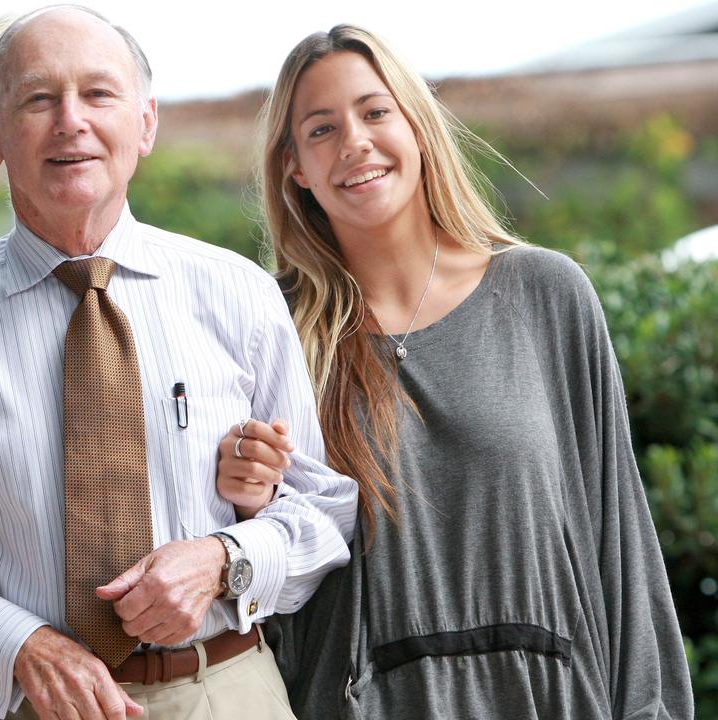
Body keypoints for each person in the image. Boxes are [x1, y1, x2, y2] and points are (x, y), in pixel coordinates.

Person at [0, 6, 358, 720]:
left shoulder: (238, 294)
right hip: (15, 705)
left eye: (98, 94)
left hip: (222, 693)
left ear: (145, 123)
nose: (70, 120)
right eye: (39, 98)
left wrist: (222, 560)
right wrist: (17, 645)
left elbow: (322, 511)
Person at [216, 25, 694, 719]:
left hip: (547, 701)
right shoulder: (269, 329)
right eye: (322, 129)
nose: (354, 141)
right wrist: (247, 504)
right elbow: (268, 581)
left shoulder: (544, 294)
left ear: (416, 125)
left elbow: (619, 538)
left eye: (375, 112)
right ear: (295, 166)